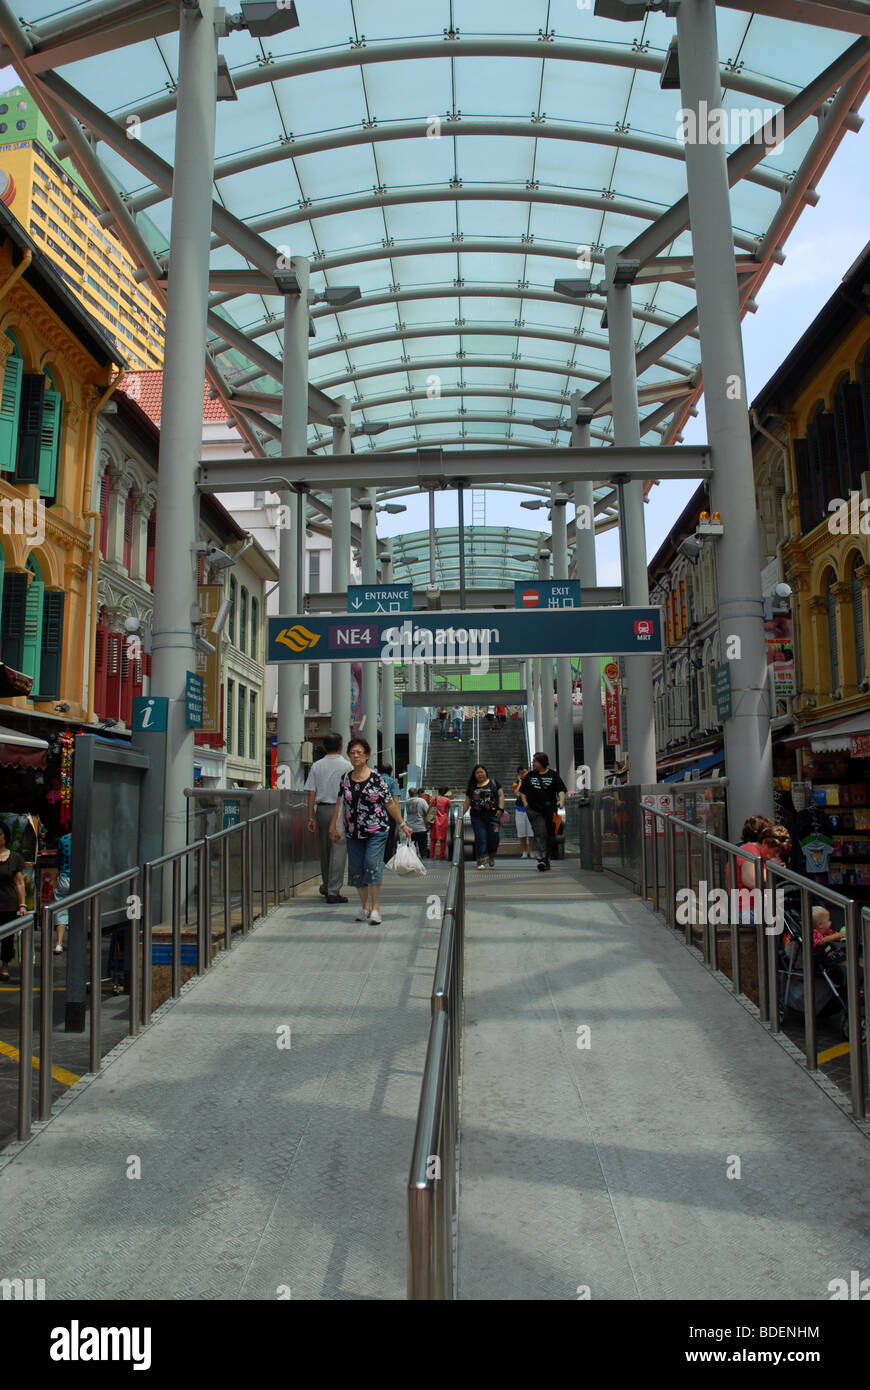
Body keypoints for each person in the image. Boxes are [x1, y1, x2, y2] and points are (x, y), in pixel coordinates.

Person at [329, 738, 411, 925]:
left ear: (366, 755)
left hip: (376, 830)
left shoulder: (377, 780)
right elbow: (340, 804)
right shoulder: (346, 779)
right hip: (353, 831)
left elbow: (390, 803)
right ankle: (365, 906)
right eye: (352, 752)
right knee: (357, 868)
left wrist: (402, 823)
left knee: (372, 864)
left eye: (359, 752)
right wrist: (333, 826)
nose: (356, 755)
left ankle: (376, 908)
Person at [304, 732, 352, 903]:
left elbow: (311, 793)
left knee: (324, 851)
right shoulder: (348, 766)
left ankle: (326, 885)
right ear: (341, 746)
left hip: (322, 811)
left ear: (324, 747)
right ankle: (333, 890)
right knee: (338, 850)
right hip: (340, 811)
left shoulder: (316, 766)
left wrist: (310, 817)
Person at [519, 752, 567, 872]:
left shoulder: (553, 775)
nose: (533, 763)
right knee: (540, 832)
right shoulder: (530, 776)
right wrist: (526, 805)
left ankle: (546, 859)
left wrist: (561, 801)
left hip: (550, 810)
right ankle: (541, 859)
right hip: (534, 810)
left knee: (550, 834)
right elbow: (522, 792)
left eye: (535, 761)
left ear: (542, 762)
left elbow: (561, 790)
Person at [463, 765, 505, 869]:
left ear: (486, 772)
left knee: (494, 838)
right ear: (474, 775)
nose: (480, 774)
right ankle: (481, 860)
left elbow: (501, 796)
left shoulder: (494, 783)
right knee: (481, 838)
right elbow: (467, 802)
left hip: (494, 817)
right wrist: (461, 814)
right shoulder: (472, 786)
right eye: (477, 773)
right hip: (477, 818)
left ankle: (491, 856)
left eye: (482, 772)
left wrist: (501, 809)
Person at [0, 821, 27, 980]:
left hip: (8, 903)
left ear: (5, 836)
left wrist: (22, 904)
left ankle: (4, 966)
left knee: (7, 939)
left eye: (0, 834)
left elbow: (19, 882)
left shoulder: (14, 858)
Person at [378, 762, 402, 866]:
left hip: (375, 814)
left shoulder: (374, 780)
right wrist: (399, 818)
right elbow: (395, 801)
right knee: (390, 837)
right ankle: (387, 860)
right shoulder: (393, 782)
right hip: (389, 814)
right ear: (391, 772)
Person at [53, 831, 72, 952]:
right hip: (82, 878)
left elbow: (59, 860)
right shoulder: (87, 838)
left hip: (64, 877)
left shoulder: (63, 839)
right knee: (80, 909)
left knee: (61, 909)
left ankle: (59, 943)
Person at [405, 788, 430, 860]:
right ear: (417, 793)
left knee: (411, 847)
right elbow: (427, 811)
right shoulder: (421, 801)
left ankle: (412, 862)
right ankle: (424, 862)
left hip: (410, 828)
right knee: (423, 848)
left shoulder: (407, 801)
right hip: (421, 827)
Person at [513, 765, 532, 858]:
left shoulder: (532, 781)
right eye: (521, 773)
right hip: (520, 810)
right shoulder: (516, 783)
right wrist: (520, 782)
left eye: (524, 772)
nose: (523, 774)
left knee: (531, 832)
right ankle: (524, 851)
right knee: (521, 832)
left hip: (531, 809)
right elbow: (517, 794)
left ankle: (532, 851)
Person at [429, 785, 452, 861]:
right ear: (445, 792)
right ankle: (442, 856)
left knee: (433, 840)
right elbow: (450, 808)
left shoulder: (434, 798)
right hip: (444, 820)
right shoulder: (447, 800)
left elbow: (429, 808)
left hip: (435, 820)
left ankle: (431, 855)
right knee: (443, 840)